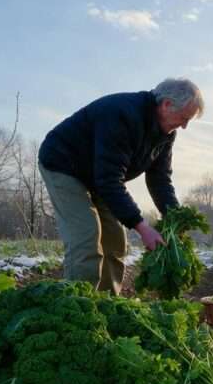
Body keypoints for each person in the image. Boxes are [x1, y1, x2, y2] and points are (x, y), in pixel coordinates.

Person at [37, 78, 203, 295]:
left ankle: (107, 303)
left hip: (99, 177)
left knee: (115, 242)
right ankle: (78, 305)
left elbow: (160, 178)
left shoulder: (166, 133)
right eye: (183, 118)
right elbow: (109, 179)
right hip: (64, 165)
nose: (184, 126)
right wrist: (142, 227)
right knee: (87, 238)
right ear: (166, 105)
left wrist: (175, 218)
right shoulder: (122, 115)